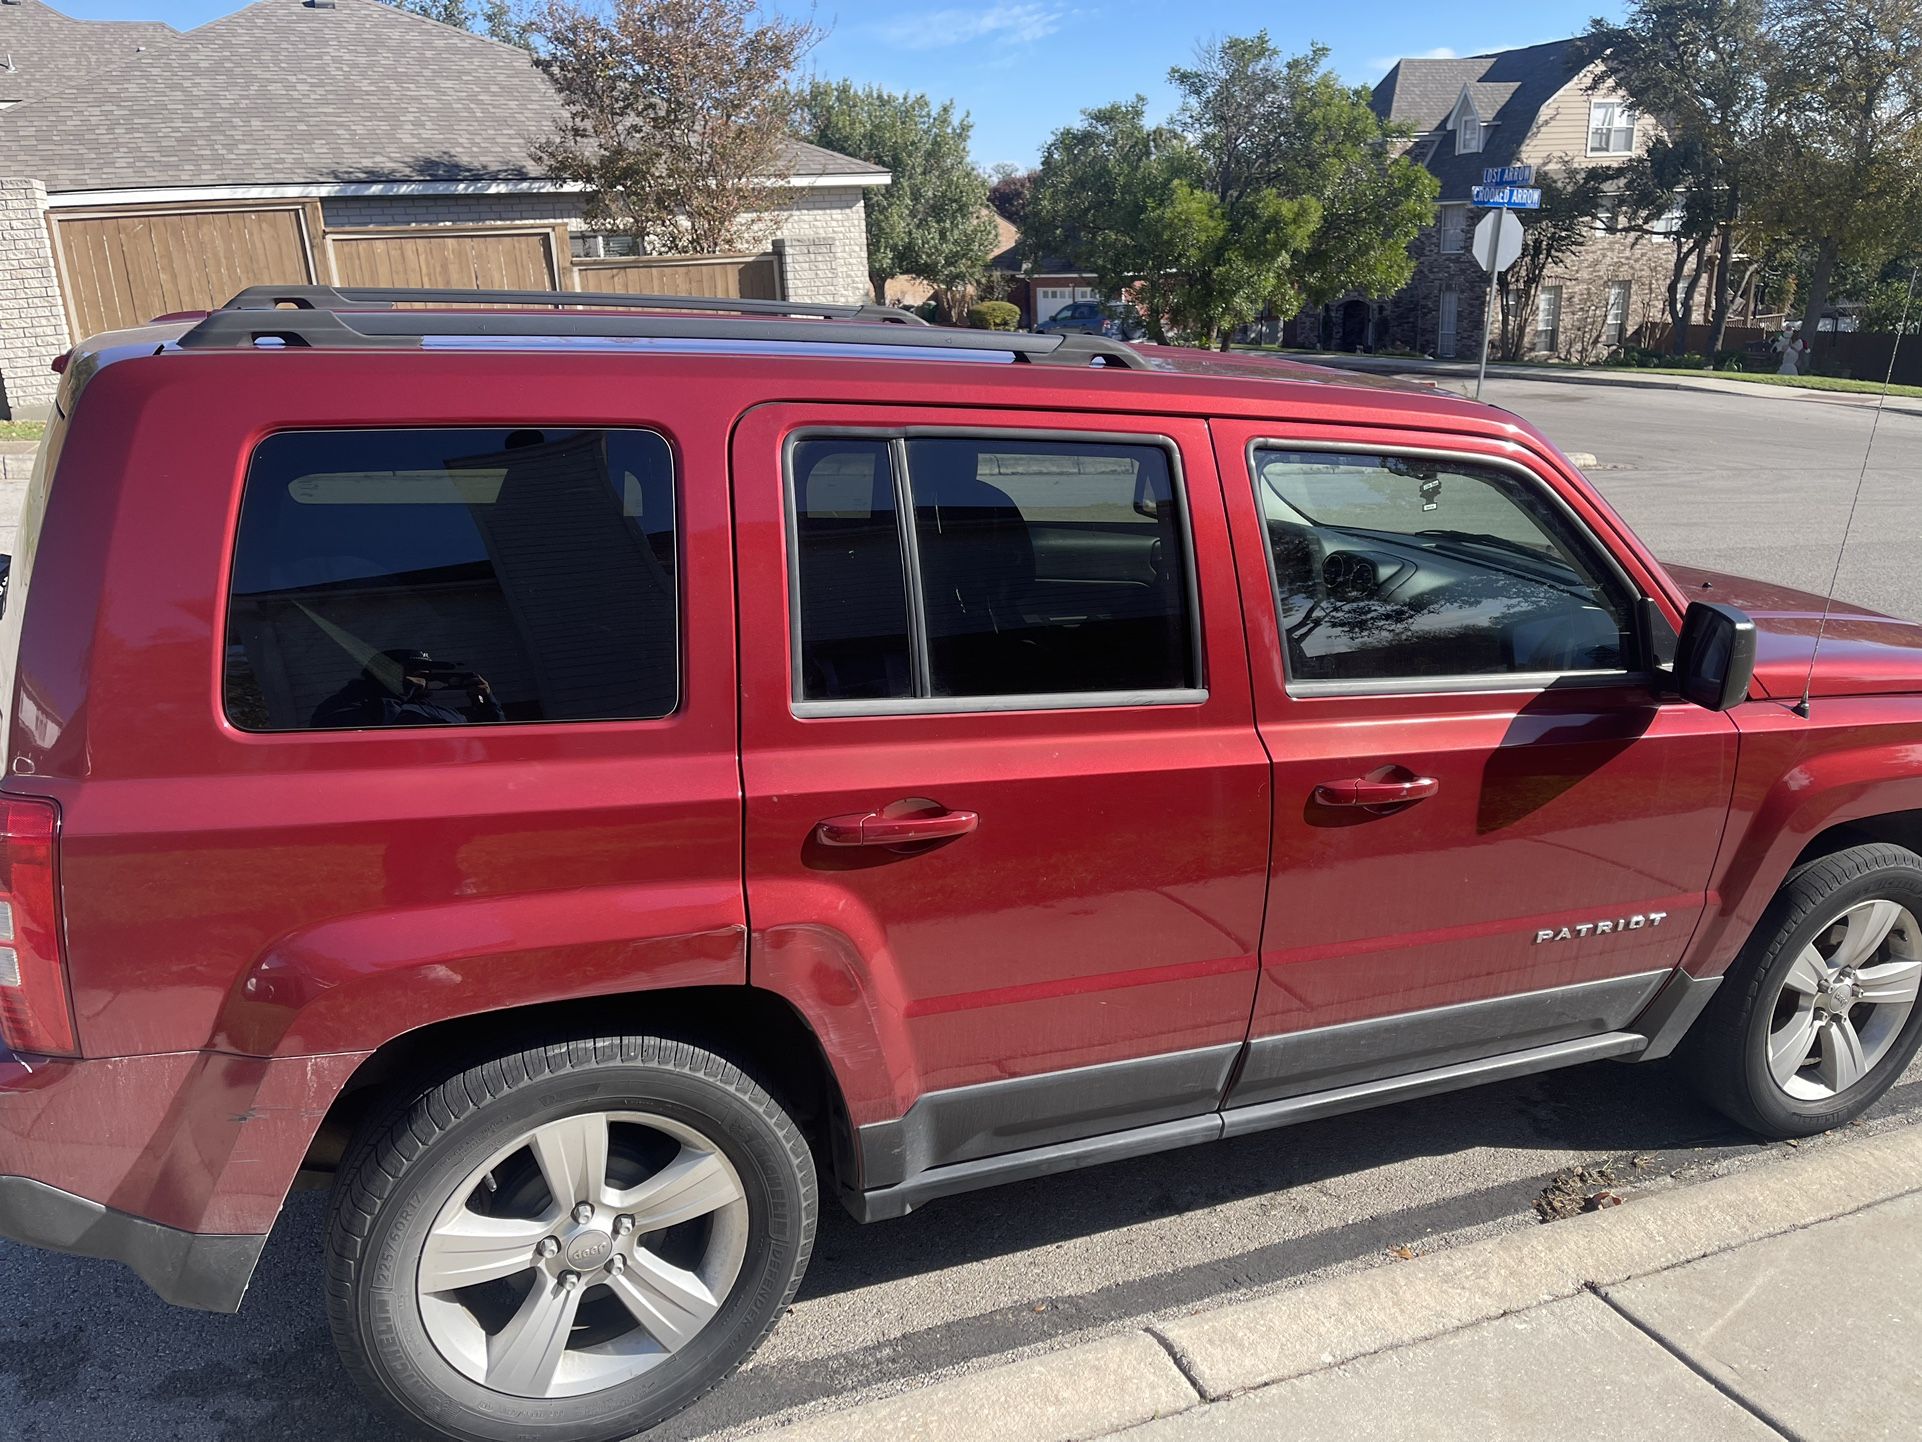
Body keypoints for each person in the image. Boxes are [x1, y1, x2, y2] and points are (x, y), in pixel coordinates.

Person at [311, 648, 506, 728]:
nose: (425, 677)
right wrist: (400, 690)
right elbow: (361, 737)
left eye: (428, 671)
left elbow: (489, 737)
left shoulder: (435, 709)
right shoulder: (347, 705)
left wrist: (483, 700)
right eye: (416, 671)